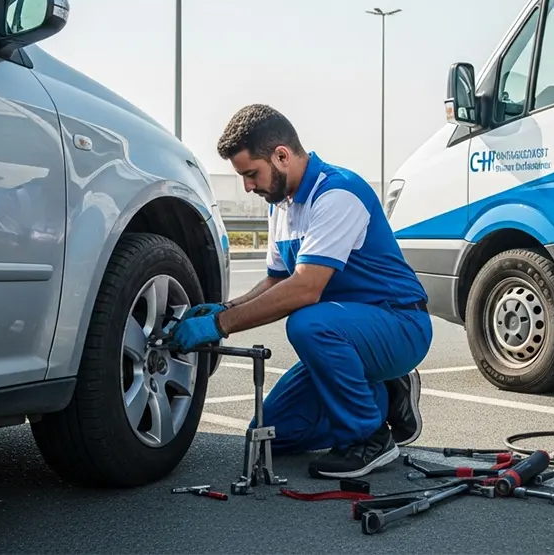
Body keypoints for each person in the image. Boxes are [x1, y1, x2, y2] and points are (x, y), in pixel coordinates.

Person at [162, 103, 432, 479]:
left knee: (306, 323)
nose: (247, 186)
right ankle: (382, 397)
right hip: (346, 330)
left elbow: (304, 288)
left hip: (399, 324)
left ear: (282, 155)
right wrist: (223, 308)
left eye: (251, 174)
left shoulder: (337, 193)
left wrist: (222, 325)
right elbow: (275, 281)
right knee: (269, 434)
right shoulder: (282, 207)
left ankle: (370, 438)